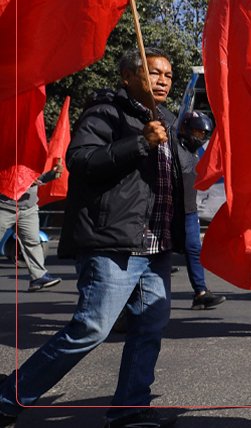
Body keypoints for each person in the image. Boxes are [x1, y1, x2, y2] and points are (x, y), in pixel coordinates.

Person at [0, 48, 183, 428]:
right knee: (91, 328)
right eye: (153, 72)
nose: (163, 80)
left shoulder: (166, 119)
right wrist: (140, 143)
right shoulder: (105, 111)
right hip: (113, 243)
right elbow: (80, 161)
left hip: (156, 246)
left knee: (149, 327)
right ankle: (8, 399)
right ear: (128, 76)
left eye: (168, 74)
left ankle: (130, 409)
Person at [176, 110, 227, 310]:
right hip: (167, 209)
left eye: (204, 135)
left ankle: (201, 293)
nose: (201, 138)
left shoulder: (195, 154)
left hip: (189, 209)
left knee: (194, 250)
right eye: (197, 133)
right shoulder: (171, 146)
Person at [0, 163, 63, 292]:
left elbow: (39, 179)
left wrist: (52, 174)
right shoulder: (7, 153)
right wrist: (23, 180)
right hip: (4, 206)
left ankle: (38, 277)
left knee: (32, 242)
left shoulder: (32, 156)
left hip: (28, 208)